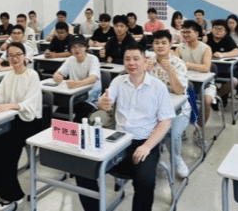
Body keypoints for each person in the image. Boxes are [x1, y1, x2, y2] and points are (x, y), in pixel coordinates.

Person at [75, 45, 174, 211]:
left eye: (136, 59)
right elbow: (106, 101)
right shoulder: (118, 81)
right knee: (82, 169)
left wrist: (147, 146)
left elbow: (165, 122)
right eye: (127, 59)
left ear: (145, 61)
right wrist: (103, 104)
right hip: (118, 141)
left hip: (144, 142)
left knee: (145, 182)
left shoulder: (158, 87)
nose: (131, 63)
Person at [0, 42, 42, 211]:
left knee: (6, 151)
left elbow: (31, 103)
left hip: (29, 122)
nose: (14, 58)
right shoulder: (9, 76)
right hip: (10, 119)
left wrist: (12, 106)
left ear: (24, 56)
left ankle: (14, 196)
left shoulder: (32, 75)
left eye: (18, 54)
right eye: (11, 55)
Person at [147, 30, 189, 178]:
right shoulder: (148, 62)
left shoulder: (178, 63)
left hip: (178, 110)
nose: (160, 46)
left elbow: (179, 91)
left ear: (171, 44)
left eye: (164, 43)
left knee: (173, 134)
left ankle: (177, 159)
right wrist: (145, 71)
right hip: (154, 110)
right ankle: (150, 158)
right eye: (157, 43)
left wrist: (169, 70)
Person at [175, 20, 215, 144]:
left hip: (205, 83)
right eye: (183, 32)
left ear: (197, 33)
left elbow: (206, 68)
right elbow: (175, 65)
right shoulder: (180, 48)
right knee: (176, 100)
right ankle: (180, 127)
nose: (185, 35)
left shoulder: (205, 48)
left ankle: (199, 129)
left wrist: (186, 64)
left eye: (188, 32)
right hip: (186, 83)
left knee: (207, 101)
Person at [53, 35, 101, 122]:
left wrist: (77, 84)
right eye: (73, 47)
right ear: (70, 49)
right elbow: (57, 73)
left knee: (79, 120)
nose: (77, 49)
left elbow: (93, 78)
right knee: (58, 116)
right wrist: (57, 77)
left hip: (90, 100)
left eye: (80, 46)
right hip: (75, 98)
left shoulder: (93, 59)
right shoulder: (70, 60)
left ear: (86, 47)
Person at [206, 19, 238, 102]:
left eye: (220, 29)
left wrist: (222, 55)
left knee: (234, 81)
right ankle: (216, 97)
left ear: (226, 32)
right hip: (211, 69)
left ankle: (218, 97)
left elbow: (236, 52)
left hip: (228, 69)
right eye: (215, 28)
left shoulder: (228, 39)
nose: (217, 31)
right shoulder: (208, 38)